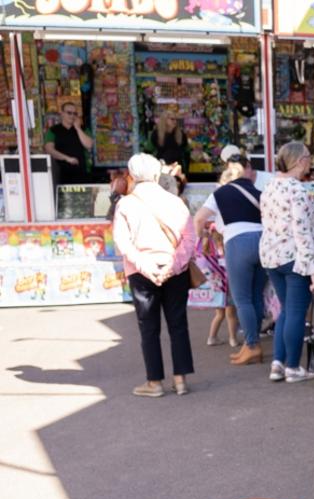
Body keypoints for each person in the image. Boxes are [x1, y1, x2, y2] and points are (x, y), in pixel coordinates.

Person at [112, 153, 198, 398]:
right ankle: (180, 380)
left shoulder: (126, 204)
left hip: (142, 271)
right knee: (178, 324)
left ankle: (154, 382)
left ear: (132, 175)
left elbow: (123, 243)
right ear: (157, 174)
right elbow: (189, 239)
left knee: (148, 327)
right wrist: (173, 264)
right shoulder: (175, 201)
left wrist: (146, 265)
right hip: (175, 269)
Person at [193, 148, 271, 364]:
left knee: (241, 298)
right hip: (263, 243)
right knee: (256, 296)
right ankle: (251, 344)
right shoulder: (259, 193)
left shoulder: (221, 193)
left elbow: (199, 219)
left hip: (238, 243)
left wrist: (202, 237)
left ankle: (252, 345)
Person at [260, 141, 314, 383]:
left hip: (271, 255)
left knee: (286, 309)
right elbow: (302, 231)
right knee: (296, 312)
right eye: (308, 156)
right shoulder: (298, 190)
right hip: (295, 257)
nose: (310, 160)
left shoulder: (270, 188)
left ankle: (278, 362)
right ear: (299, 161)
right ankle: (293, 367)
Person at [44, 102, 94, 185]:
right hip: (60, 173)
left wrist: (78, 128)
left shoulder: (83, 129)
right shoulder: (53, 130)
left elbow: (89, 145)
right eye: (69, 113)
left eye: (75, 113)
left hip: (82, 172)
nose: (72, 116)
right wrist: (67, 158)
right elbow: (49, 149)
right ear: (62, 113)